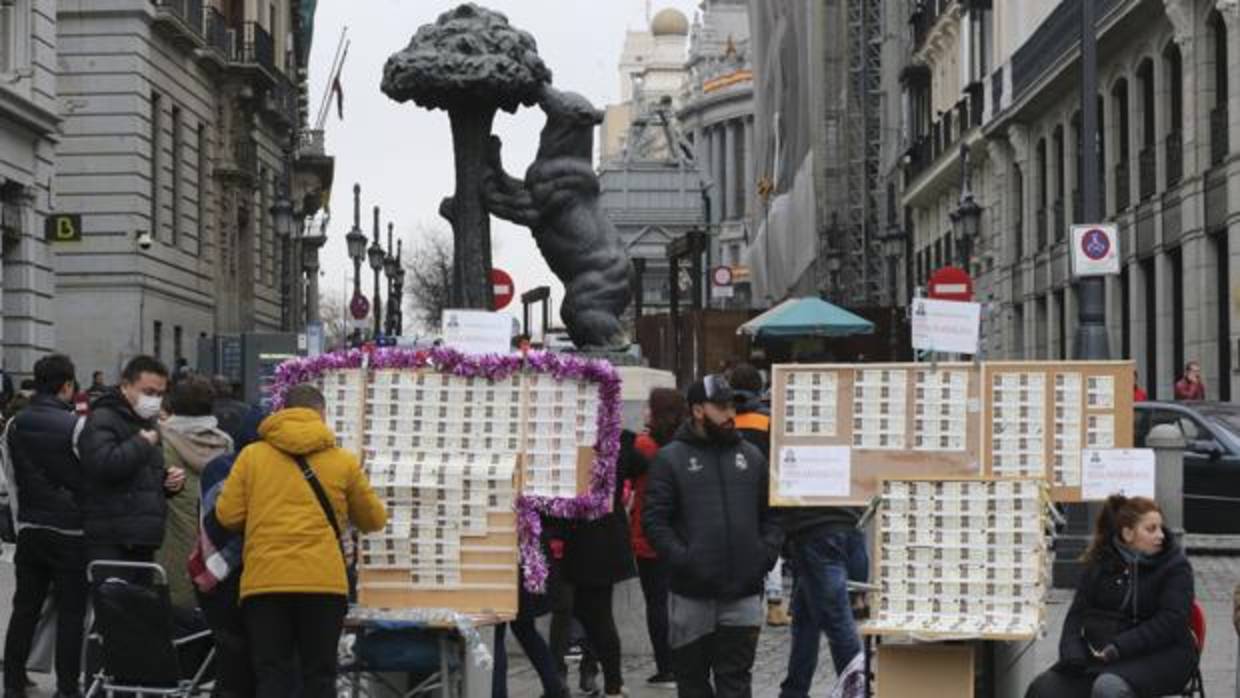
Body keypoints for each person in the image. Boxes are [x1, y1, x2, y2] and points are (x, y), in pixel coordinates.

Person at [215, 383, 387, 698]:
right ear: (321, 414)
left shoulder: (252, 457)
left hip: (265, 583)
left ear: (282, 412)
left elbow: (227, 515)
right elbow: (374, 519)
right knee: (319, 676)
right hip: (322, 584)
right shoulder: (343, 461)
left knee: (272, 674)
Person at [643, 374, 783, 698]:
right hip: (692, 595)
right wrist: (684, 559)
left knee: (735, 683)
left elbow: (774, 514)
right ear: (697, 410)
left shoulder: (751, 457)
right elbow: (655, 522)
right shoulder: (670, 459)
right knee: (693, 684)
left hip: (743, 593)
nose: (729, 414)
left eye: (731, 406)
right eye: (720, 407)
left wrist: (764, 555)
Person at [1025, 495, 1197, 698]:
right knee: (1043, 689)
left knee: (1108, 688)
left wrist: (1119, 646)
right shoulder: (1101, 563)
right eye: (1151, 529)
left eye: (1160, 527)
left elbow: (1171, 621)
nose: (1161, 535)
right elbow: (1076, 615)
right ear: (1128, 533)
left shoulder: (1175, 567)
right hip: (1105, 655)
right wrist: (1072, 653)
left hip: (1164, 654)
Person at [3, 354, 88, 698]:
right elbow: (87, 478)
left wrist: (22, 521)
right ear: (67, 385)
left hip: (31, 529)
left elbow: (11, 478)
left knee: (25, 608)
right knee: (71, 613)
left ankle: (12, 682)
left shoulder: (14, 425)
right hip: (72, 533)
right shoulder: (77, 426)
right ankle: (67, 688)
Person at [554, 431, 639, 698]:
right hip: (595, 539)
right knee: (590, 613)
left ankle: (606, 680)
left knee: (593, 614)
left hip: (587, 540)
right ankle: (604, 678)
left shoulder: (572, 439)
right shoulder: (620, 439)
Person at [191, 404, 267, 698]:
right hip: (235, 578)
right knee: (244, 663)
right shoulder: (233, 470)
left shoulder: (217, 467)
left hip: (216, 577)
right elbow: (228, 522)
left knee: (232, 662)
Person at [79, 355, 183, 565]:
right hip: (112, 539)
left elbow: (141, 476)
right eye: (148, 392)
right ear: (126, 386)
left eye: (160, 394)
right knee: (113, 596)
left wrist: (167, 482)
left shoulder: (148, 422)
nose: (154, 400)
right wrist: (141, 444)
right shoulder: (103, 417)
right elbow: (104, 466)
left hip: (142, 538)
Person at [156, 375, 233, 611]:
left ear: (172, 405)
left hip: (171, 545)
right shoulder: (226, 444)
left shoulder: (160, 439)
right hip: (215, 549)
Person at [777, 501, 868, 696]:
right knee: (806, 620)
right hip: (848, 524)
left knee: (837, 622)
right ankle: (794, 691)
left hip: (816, 528)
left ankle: (856, 692)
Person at [629, 387, 688, 688]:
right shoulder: (685, 444)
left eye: (648, 407)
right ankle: (683, 662)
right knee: (678, 602)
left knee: (656, 603)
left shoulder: (644, 445)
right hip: (682, 535)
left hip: (648, 534)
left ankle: (666, 667)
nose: (644, 412)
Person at [728, 363, 789, 629]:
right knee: (769, 544)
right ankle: (775, 604)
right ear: (759, 388)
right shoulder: (768, 419)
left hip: (730, 491)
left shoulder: (725, 418)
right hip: (765, 491)